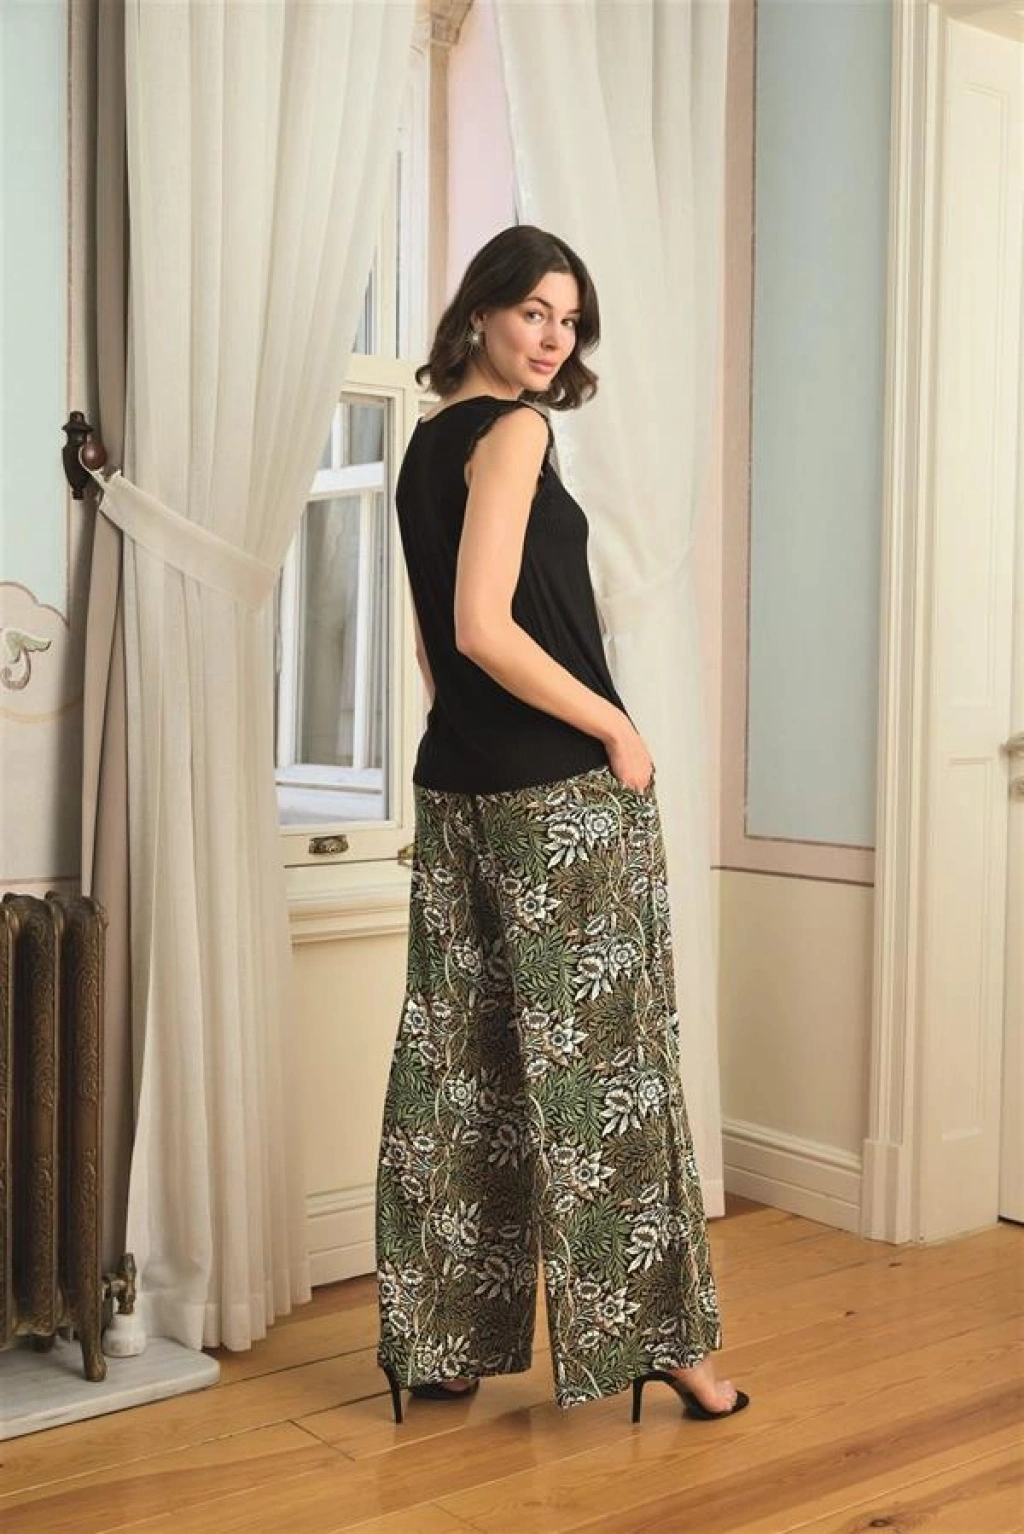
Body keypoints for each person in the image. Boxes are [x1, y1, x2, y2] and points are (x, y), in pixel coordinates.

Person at [374, 224, 748, 1423]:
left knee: (463, 1068)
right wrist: (614, 727)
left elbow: (436, 650)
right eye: (533, 310)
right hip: (559, 797)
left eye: (568, 319)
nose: (551, 337)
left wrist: (477, 737)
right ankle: (667, 1345)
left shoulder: (423, 446)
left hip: (458, 785)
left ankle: (444, 1343)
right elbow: (482, 626)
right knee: (607, 1076)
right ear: (481, 310)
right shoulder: (516, 432)